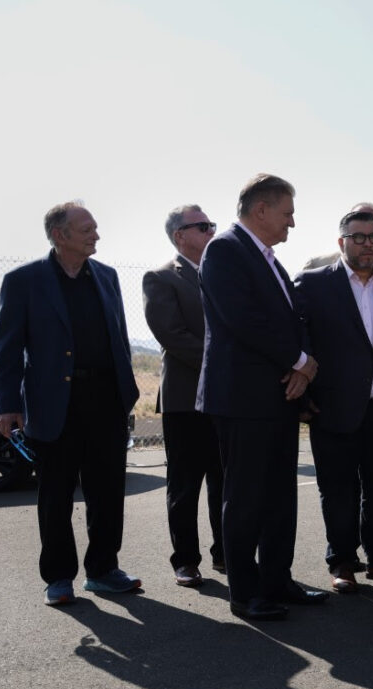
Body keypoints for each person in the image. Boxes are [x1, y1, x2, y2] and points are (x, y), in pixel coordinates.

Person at [0, 201, 141, 606]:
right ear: (60, 235)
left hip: (107, 399)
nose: (96, 235)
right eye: (87, 229)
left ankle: (104, 570)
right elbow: (6, 348)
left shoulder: (106, 276)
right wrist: (7, 403)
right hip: (53, 403)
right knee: (55, 493)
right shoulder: (24, 281)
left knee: (107, 490)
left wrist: (126, 391)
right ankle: (58, 577)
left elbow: (119, 337)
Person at [198, 173, 326, 622]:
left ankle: (276, 580)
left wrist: (303, 366)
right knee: (246, 497)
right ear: (261, 210)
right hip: (242, 399)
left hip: (278, 395)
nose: (292, 222)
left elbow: (292, 318)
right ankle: (245, 592)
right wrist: (299, 361)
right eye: (287, 213)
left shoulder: (267, 258)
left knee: (279, 497)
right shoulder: (225, 250)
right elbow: (242, 320)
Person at [296, 210, 373, 594]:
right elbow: (300, 341)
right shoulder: (313, 284)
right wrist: (305, 397)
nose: (367, 244)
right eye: (358, 237)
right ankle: (342, 562)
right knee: (338, 490)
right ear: (342, 242)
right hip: (331, 407)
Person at [143, 204, 224, 587]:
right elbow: (172, 335)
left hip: (225, 397)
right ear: (180, 236)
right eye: (203, 226)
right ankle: (186, 560)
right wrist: (225, 361)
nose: (212, 231)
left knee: (224, 481)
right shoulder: (161, 278)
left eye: (212, 224)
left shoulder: (221, 273)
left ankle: (226, 553)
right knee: (185, 484)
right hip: (185, 399)